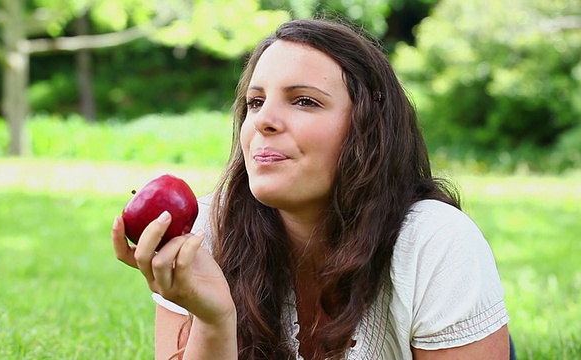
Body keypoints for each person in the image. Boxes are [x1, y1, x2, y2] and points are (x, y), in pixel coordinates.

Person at [111, 17, 511, 360]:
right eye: (254, 102)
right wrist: (214, 320)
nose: (264, 120)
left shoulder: (435, 244)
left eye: (303, 101)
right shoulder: (203, 236)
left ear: (368, 129)